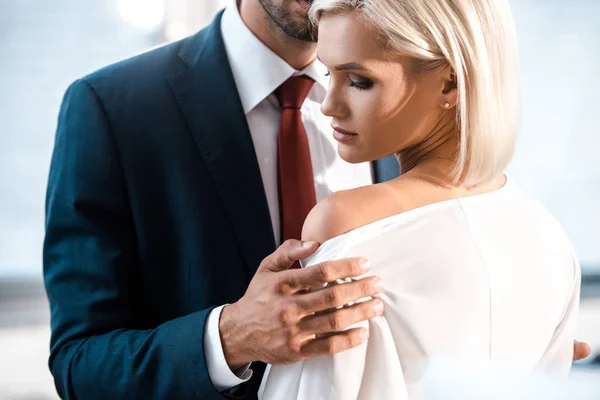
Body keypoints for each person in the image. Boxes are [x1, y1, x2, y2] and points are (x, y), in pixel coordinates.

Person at [42, 0, 590, 399]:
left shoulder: (405, 86)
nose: (333, 106)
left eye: (358, 81)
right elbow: (78, 363)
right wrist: (229, 337)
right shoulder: (113, 108)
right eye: (338, 78)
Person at [258, 0, 588, 399]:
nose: (328, 104)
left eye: (359, 81)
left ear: (450, 83)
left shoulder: (345, 224)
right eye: (329, 73)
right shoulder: (549, 236)